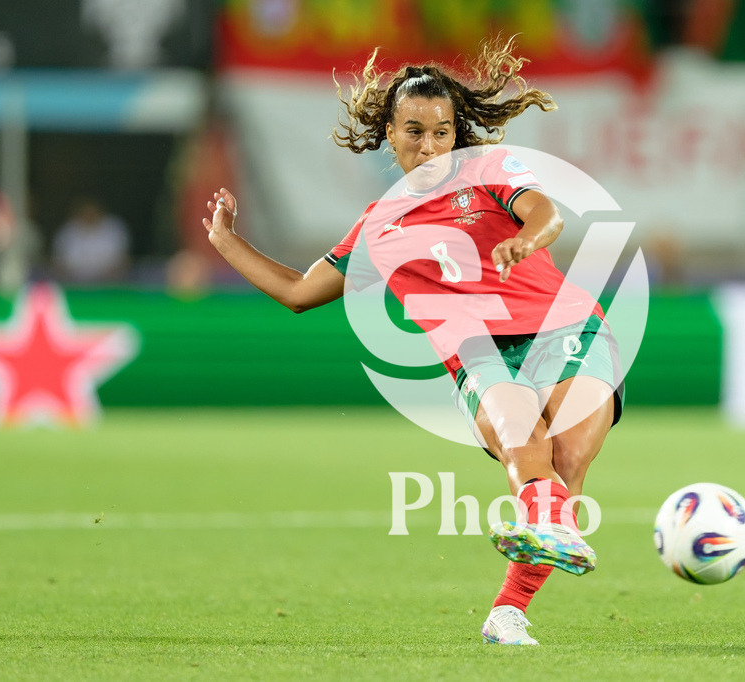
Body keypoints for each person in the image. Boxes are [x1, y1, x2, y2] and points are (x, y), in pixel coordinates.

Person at [203, 37, 624, 646]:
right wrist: (225, 243)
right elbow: (298, 292)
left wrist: (526, 240)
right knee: (526, 450)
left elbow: (547, 215)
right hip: (478, 352)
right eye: (414, 131)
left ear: (458, 134)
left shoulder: (489, 171)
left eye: (442, 132)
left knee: (567, 461)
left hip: (567, 324)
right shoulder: (378, 227)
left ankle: (510, 605)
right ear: (389, 133)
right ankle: (525, 573)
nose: (429, 146)